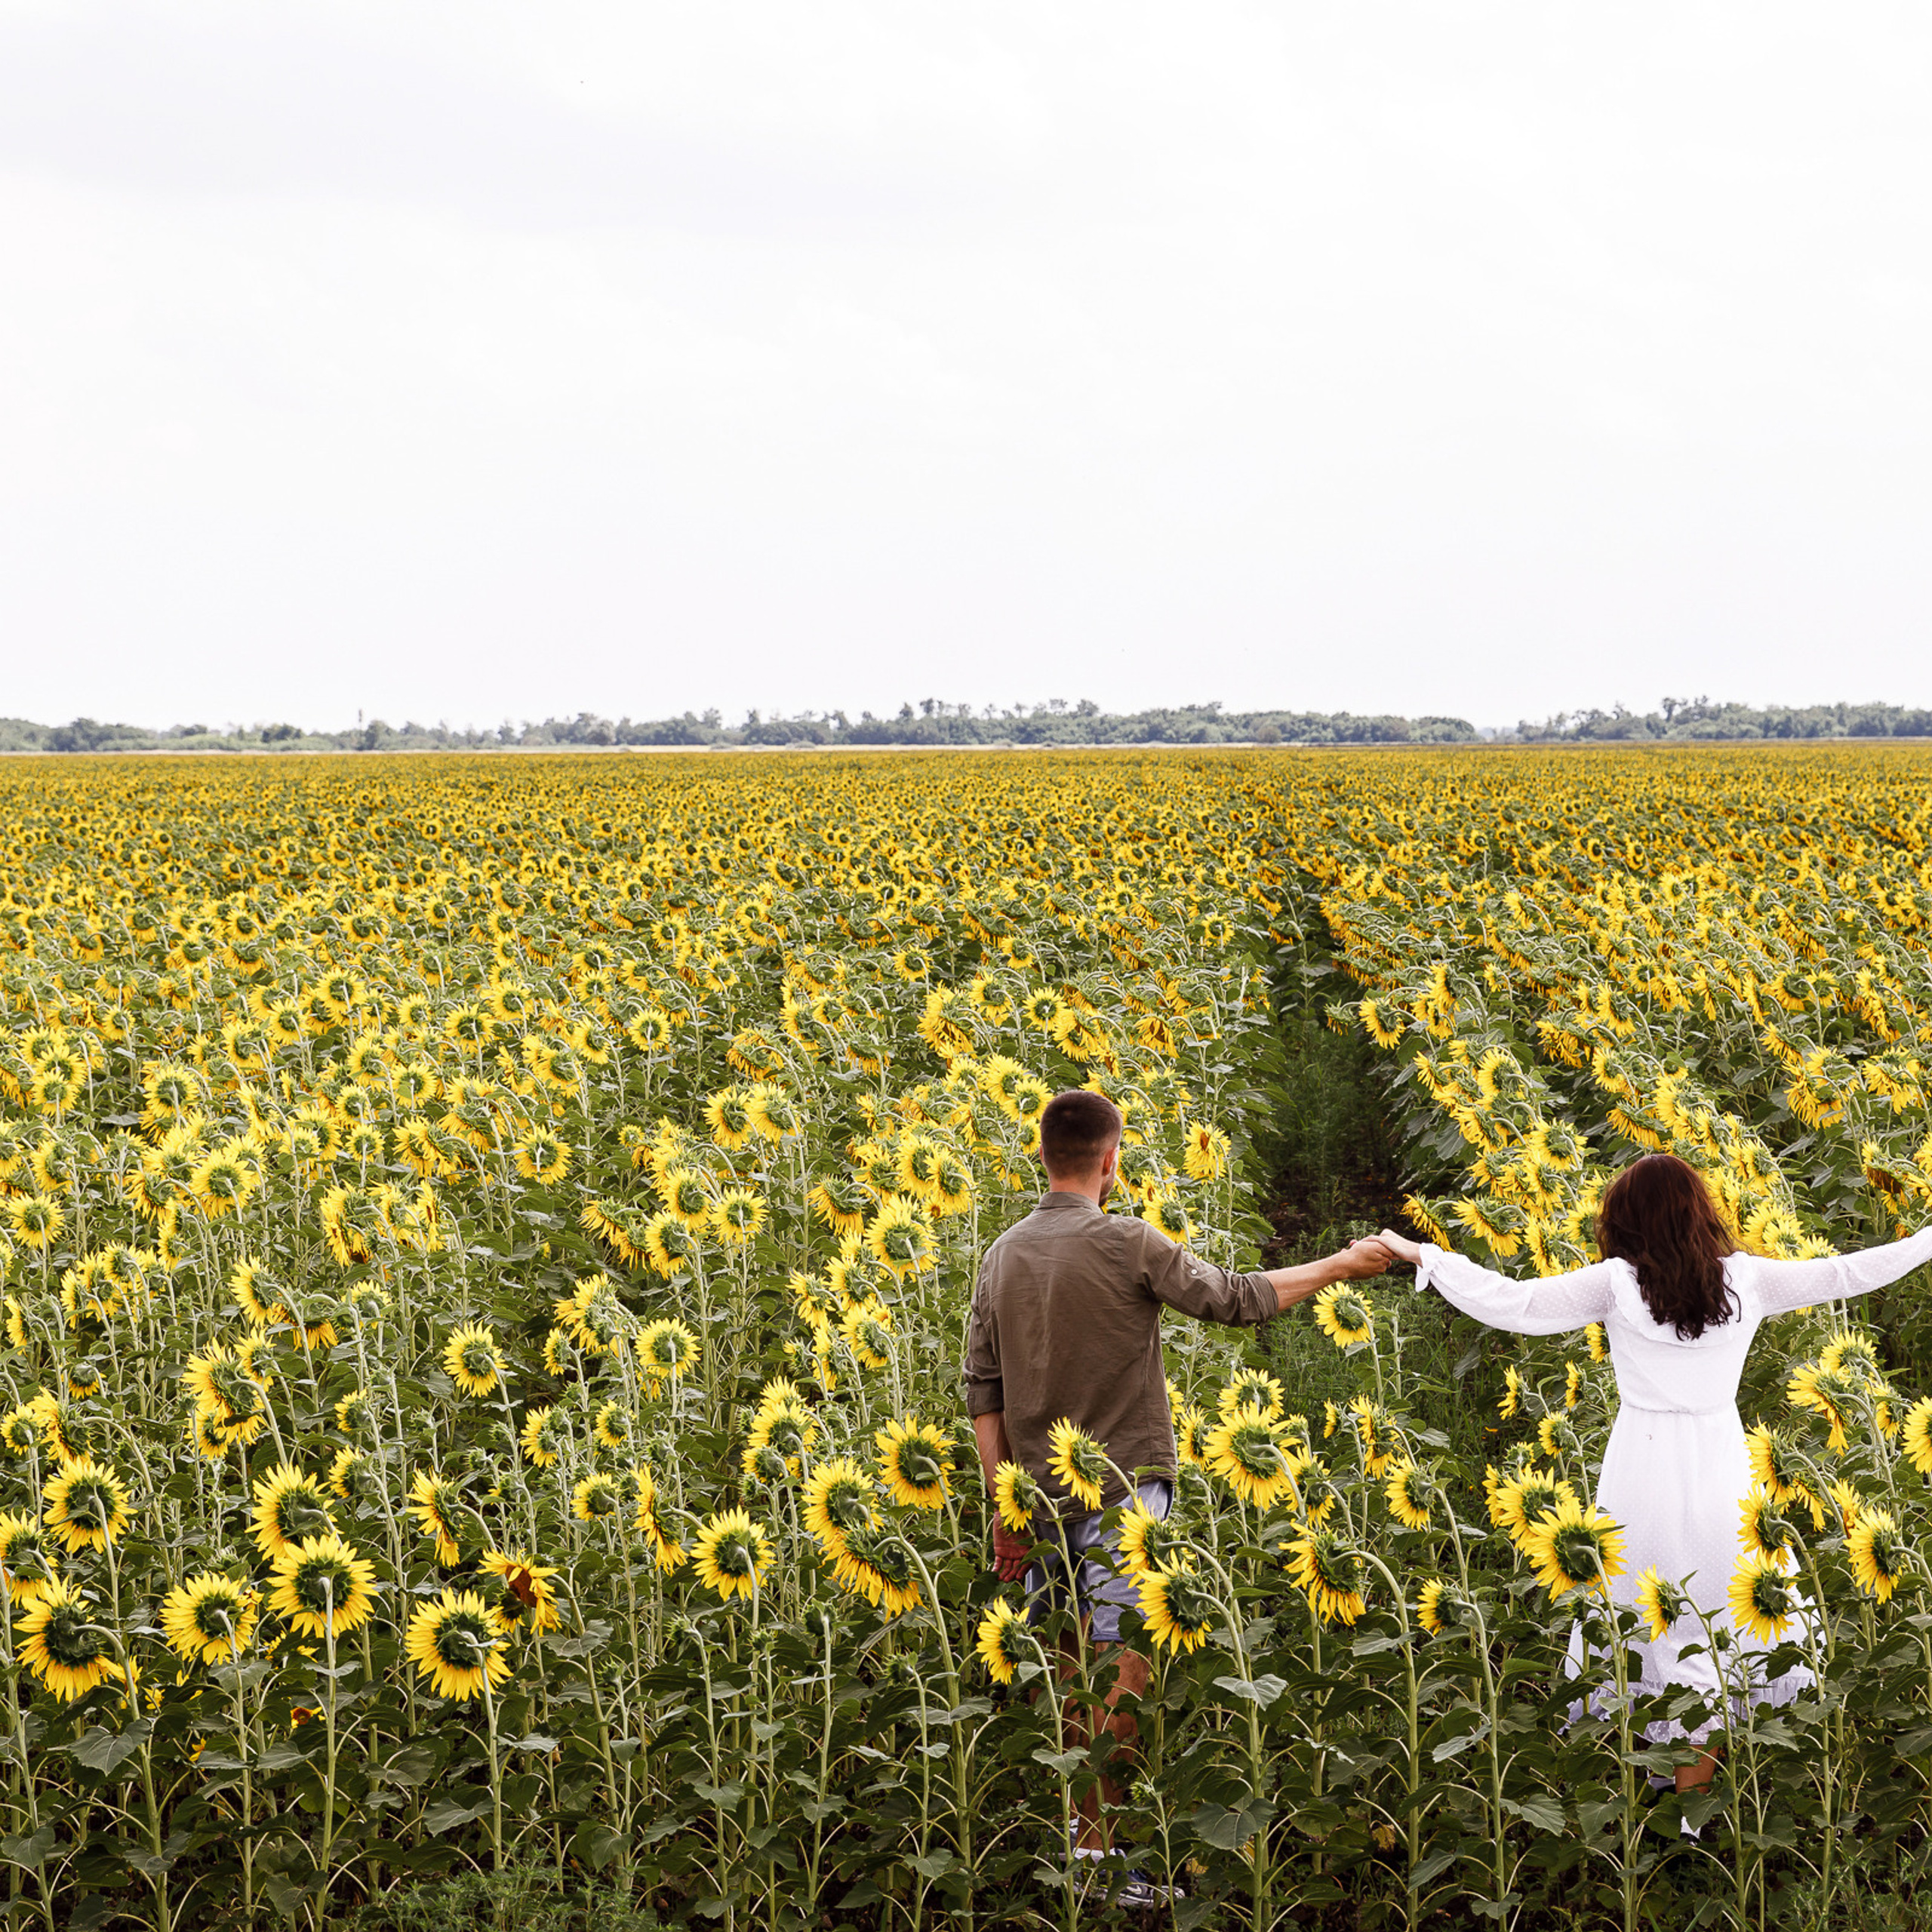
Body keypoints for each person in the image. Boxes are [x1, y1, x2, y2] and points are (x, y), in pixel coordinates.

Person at [1373, 1152, 1932, 1794]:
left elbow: (1517, 1304)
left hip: (1642, 1467)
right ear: (1700, 1211)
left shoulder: (1616, 1283)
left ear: (1627, 1221)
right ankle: (1697, 1804)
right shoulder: (1746, 1280)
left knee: (1645, 1620)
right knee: (1722, 1619)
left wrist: (1426, 1256)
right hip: (1722, 1466)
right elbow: (1842, 1273)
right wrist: (1923, 1242)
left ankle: (1655, 1801)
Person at [965, 1088, 1391, 1900]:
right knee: (1119, 1669)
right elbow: (1234, 1298)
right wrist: (1337, 1265)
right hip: (1124, 1492)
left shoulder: (1001, 1255)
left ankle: (1079, 1849)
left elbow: (982, 1391)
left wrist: (1004, 1503)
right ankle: (1106, 1864)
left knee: (1065, 1670)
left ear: (1043, 1155)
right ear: (1111, 1160)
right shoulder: (1128, 1242)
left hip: (1035, 1498)